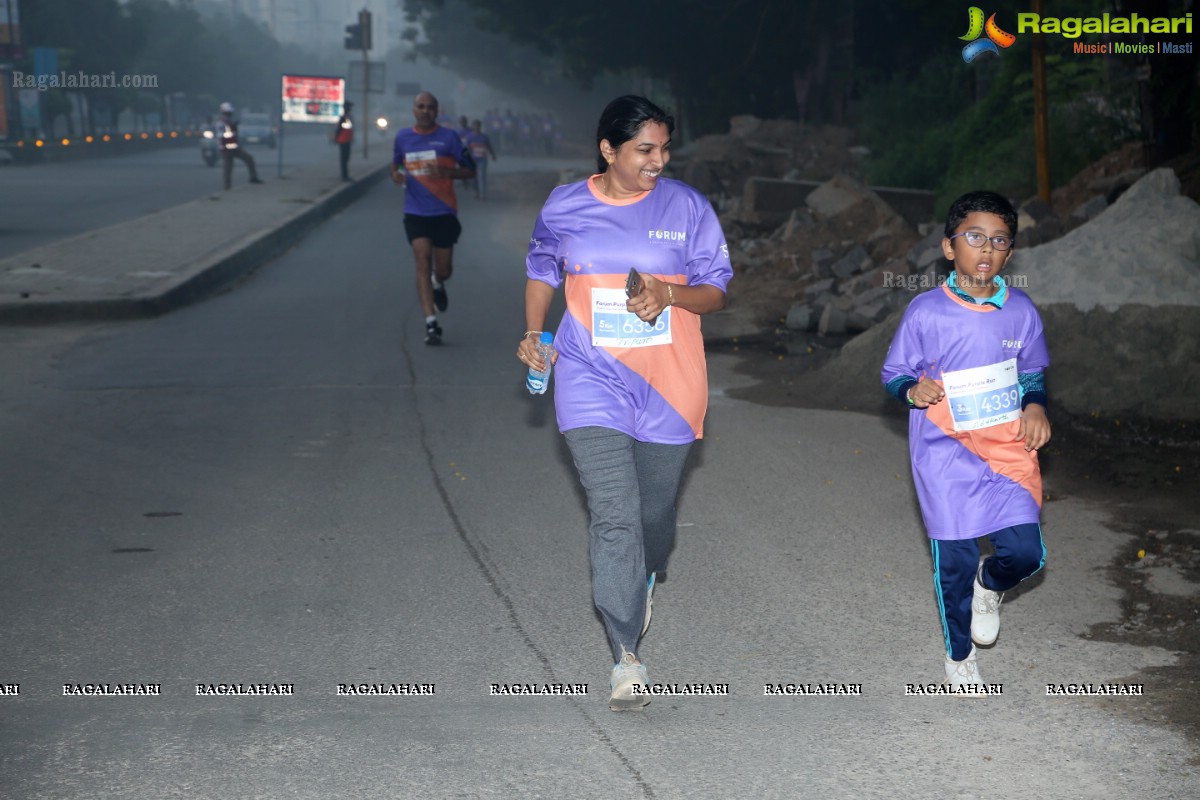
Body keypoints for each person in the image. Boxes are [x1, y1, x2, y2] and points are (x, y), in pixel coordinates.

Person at [517, 95, 732, 711]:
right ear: (608, 150)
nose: (658, 161)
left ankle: (645, 574)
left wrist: (669, 293)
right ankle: (625, 656)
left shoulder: (688, 207)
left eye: (665, 149)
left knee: (652, 521)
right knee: (615, 513)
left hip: (670, 382)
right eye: (645, 150)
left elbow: (716, 292)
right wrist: (536, 331)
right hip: (589, 375)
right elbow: (541, 269)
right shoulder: (565, 205)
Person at [880, 190, 1051, 691]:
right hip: (945, 449)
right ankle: (959, 655)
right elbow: (894, 374)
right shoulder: (926, 311)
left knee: (1026, 554)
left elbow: (1032, 371)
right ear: (949, 247)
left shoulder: (1021, 310)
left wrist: (1036, 405)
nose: (986, 249)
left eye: (999, 241)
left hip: (1007, 449)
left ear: (1010, 253)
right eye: (974, 237)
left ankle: (990, 585)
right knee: (952, 559)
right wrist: (913, 390)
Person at [389, 91, 476, 345]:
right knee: (422, 261)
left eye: (430, 107)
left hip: (444, 212)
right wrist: (396, 175)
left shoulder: (449, 138)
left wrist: (447, 171)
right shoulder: (403, 137)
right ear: (413, 110)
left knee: (444, 269)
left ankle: (439, 282)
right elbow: (396, 165)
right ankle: (431, 324)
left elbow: (471, 170)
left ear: (436, 112)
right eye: (420, 106)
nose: (425, 111)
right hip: (415, 212)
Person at [216, 102, 262, 190]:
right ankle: (227, 187)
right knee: (228, 168)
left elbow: (233, 135)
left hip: (234, 148)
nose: (229, 114)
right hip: (227, 149)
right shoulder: (221, 123)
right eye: (228, 112)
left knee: (249, 159)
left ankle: (253, 178)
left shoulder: (228, 122)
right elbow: (221, 137)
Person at [465, 120, 496, 200]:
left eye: (478, 126)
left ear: (480, 127)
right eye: (475, 126)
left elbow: (489, 146)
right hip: (472, 160)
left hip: (482, 159)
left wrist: (493, 154)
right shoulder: (470, 137)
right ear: (473, 127)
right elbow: (467, 148)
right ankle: (477, 191)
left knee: (482, 176)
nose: (477, 127)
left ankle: (483, 194)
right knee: (473, 178)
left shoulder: (484, 136)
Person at [334, 100, 354, 181]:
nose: (350, 109)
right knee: (344, 159)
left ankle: (345, 175)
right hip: (343, 140)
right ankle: (344, 176)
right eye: (348, 107)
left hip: (347, 140)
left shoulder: (348, 117)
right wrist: (336, 138)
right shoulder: (343, 118)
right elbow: (339, 129)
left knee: (346, 158)